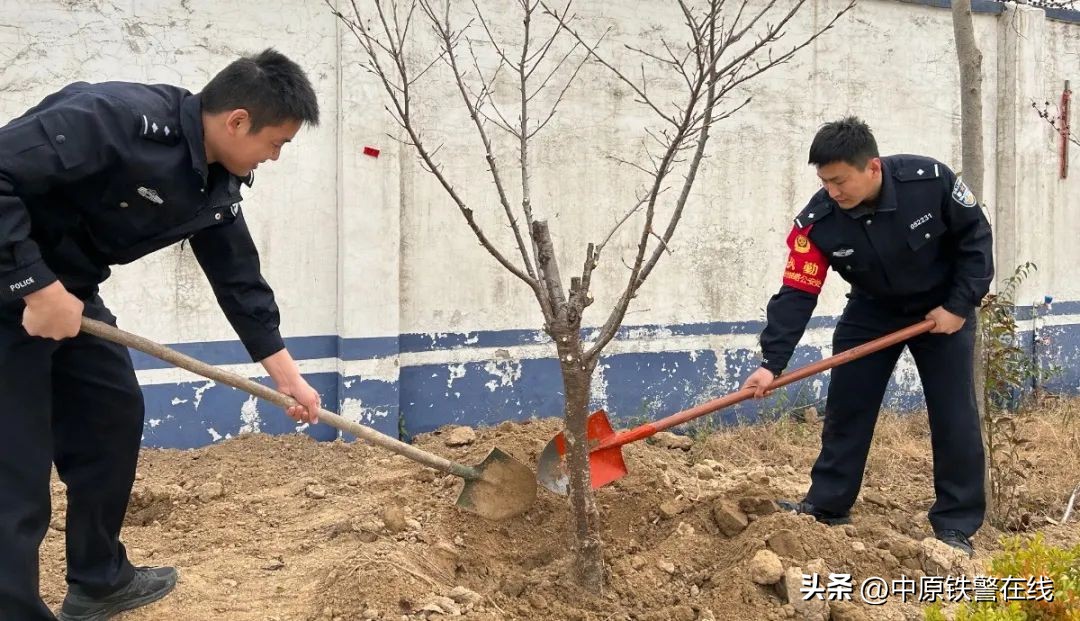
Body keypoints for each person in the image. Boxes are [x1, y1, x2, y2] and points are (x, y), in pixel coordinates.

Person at [0, 48, 323, 620]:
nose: (275, 157)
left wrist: (289, 379)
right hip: (15, 276)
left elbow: (240, 282)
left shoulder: (216, 184)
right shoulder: (113, 118)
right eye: (277, 143)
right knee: (15, 464)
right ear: (238, 121)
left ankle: (99, 581)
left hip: (69, 295)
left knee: (110, 417)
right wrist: (32, 283)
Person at [741, 116, 993, 557]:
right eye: (825, 182)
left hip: (941, 311)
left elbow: (976, 239)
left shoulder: (929, 182)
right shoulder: (817, 224)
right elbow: (797, 293)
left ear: (872, 167)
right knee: (847, 408)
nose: (833, 192)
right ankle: (827, 505)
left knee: (953, 417)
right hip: (873, 311)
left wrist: (958, 306)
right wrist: (771, 363)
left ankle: (955, 525)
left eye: (840, 181)